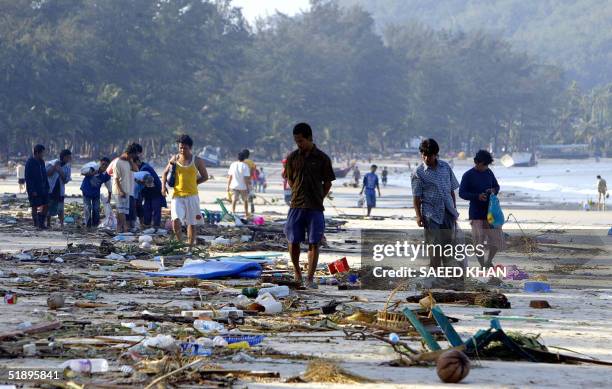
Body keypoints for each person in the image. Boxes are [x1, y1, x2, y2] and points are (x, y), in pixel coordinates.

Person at [283, 123, 335, 288]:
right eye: (296, 141)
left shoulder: (322, 158)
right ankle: (298, 273)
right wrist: (298, 192)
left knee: (314, 242)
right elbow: (290, 180)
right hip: (296, 205)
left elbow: (327, 183)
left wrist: (319, 197)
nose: (299, 144)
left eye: (301, 141)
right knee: (293, 241)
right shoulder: (292, 158)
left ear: (309, 138)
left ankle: (310, 278)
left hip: (315, 207)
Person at [412, 138, 459, 271]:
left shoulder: (445, 167)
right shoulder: (418, 172)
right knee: (434, 246)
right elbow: (416, 197)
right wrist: (418, 216)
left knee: (448, 247)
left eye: (430, 155)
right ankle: (434, 275)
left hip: (448, 213)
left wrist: (454, 211)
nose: (427, 158)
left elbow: (451, 191)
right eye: (424, 155)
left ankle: (447, 277)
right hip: (430, 214)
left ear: (436, 154)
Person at [162, 134, 209, 247]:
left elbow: (205, 176)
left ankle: (190, 247)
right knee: (176, 220)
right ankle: (180, 243)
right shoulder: (175, 159)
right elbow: (164, 173)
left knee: (192, 224)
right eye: (180, 147)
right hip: (177, 195)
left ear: (190, 148)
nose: (182, 150)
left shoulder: (197, 161)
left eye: (185, 148)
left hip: (192, 196)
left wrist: (195, 183)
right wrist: (163, 187)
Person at [459, 150, 503, 268]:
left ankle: (489, 261)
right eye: (484, 165)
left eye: (487, 165)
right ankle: (482, 264)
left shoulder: (489, 172)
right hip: (476, 213)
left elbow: (497, 186)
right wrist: (477, 196)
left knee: (496, 239)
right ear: (476, 162)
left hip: (491, 213)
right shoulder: (468, 175)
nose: (485, 167)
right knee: (478, 243)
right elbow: (462, 193)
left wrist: (493, 190)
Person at [113, 144, 139, 233]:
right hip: (119, 190)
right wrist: (120, 191)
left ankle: (121, 229)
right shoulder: (117, 162)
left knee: (123, 211)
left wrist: (131, 160)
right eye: (132, 155)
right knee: (121, 211)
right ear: (128, 153)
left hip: (128, 190)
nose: (133, 157)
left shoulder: (129, 162)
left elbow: (136, 170)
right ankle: (121, 228)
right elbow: (116, 178)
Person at [81, 157, 112, 228]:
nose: (104, 166)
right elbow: (83, 173)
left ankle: (95, 224)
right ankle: (88, 224)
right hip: (86, 191)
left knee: (96, 208)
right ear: (100, 163)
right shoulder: (93, 167)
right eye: (103, 164)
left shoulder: (106, 175)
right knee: (87, 208)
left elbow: (109, 186)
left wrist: (109, 197)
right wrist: (94, 172)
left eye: (106, 165)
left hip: (96, 193)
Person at [25, 145, 50, 229]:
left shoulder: (42, 162)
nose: (43, 154)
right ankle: (36, 224)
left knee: (46, 205)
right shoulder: (30, 162)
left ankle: (41, 223)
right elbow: (28, 178)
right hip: (34, 188)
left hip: (43, 188)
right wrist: (32, 190)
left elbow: (44, 175)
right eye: (42, 152)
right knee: (34, 206)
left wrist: (47, 186)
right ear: (37, 153)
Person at [46, 149, 72, 228]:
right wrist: (55, 167)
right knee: (48, 206)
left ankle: (61, 224)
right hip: (51, 189)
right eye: (68, 157)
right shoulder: (52, 163)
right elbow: (47, 173)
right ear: (63, 157)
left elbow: (66, 180)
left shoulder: (67, 167)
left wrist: (60, 171)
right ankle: (48, 223)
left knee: (60, 208)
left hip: (60, 190)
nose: (69, 159)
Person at [137, 159, 166, 228]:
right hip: (149, 194)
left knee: (155, 210)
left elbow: (149, 182)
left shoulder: (144, 168)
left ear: (137, 162)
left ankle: (155, 226)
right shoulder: (144, 167)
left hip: (155, 193)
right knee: (147, 209)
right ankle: (148, 225)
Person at [227, 151, 251, 216]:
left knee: (234, 200)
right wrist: (248, 187)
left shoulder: (233, 164)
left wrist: (228, 186)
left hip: (234, 185)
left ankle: (233, 213)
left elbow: (230, 177)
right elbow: (246, 178)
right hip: (243, 186)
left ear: (237, 158)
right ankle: (246, 213)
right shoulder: (245, 166)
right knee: (245, 200)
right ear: (244, 158)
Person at [242, 149, 257, 214]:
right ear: (248, 155)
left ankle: (246, 209)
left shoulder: (242, 162)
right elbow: (254, 170)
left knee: (244, 195)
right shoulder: (251, 162)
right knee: (250, 193)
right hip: (251, 179)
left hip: (243, 180)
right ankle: (251, 204)